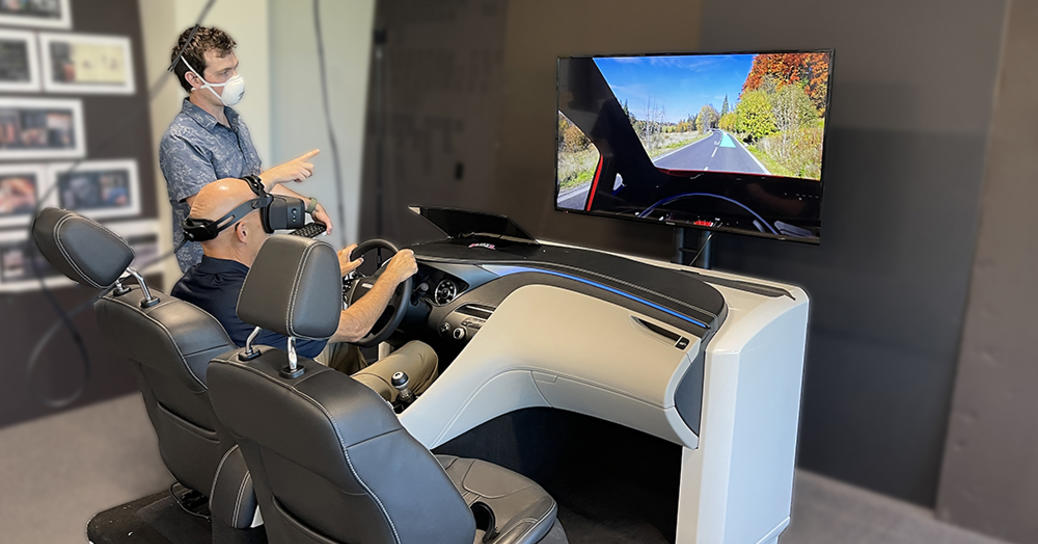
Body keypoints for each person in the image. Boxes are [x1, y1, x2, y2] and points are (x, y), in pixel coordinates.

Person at [171, 178, 437, 402]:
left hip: (245, 389)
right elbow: (357, 328)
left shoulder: (187, 286)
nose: (270, 228)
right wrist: (391, 276)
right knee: (422, 353)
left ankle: (356, 392)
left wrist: (331, 272)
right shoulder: (259, 307)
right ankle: (370, 425)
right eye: (265, 219)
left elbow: (268, 290)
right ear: (242, 231)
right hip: (294, 408)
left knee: (338, 347)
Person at [160, 25, 333, 272]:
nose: (235, 79)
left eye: (235, 68)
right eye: (224, 73)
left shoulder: (234, 121)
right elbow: (209, 211)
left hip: (253, 253)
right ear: (194, 79)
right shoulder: (181, 139)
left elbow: (256, 181)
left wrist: (309, 204)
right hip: (217, 269)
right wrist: (273, 175)